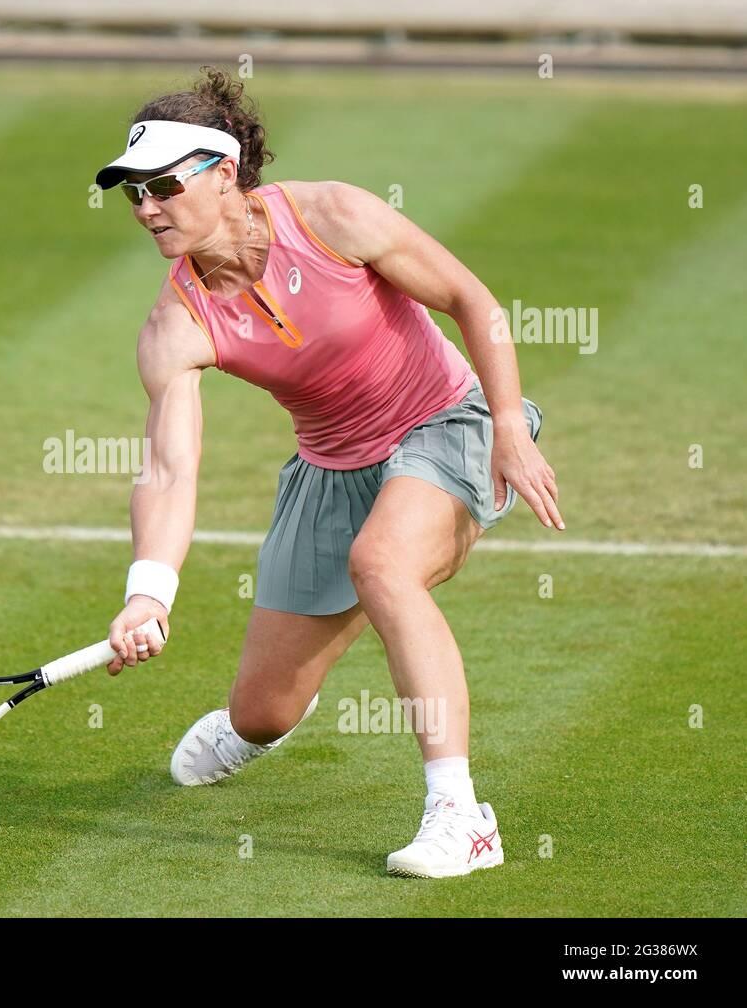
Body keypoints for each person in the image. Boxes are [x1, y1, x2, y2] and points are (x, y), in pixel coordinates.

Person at [94, 68, 562, 878]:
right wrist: (149, 592)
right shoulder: (176, 324)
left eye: (164, 186)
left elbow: (470, 299)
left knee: (382, 564)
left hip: (449, 424)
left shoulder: (330, 214)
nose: (146, 208)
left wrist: (510, 426)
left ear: (225, 173)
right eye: (133, 193)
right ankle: (247, 730)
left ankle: (462, 816)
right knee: (264, 712)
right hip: (331, 469)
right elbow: (171, 471)